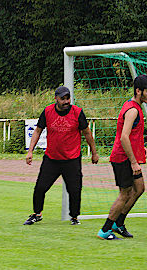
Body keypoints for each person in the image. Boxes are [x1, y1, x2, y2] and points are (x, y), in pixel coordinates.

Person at [23, 86, 99, 225]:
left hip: (72, 159)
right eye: (62, 99)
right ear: (56, 99)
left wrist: (94, 152)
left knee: (75, 190)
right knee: (40, 188)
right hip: (52, 159)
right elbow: (38, 131)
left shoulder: (77, 112)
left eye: (68, 98)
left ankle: (74, 217)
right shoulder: (47, 112)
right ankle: (37, 213)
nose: (66, 101)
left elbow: (87, 133)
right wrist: (30, 151)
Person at [96, 74, 147, 240]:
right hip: (122, 158)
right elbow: (123, 137)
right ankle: (105, 230)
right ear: (138, 91)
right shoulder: (132, 111)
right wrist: (134, 162)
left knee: (140, 188)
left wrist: (139, 147)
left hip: (128, 157)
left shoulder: (136, 107)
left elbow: (130, 135)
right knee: (125, 194)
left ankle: (118, 223)